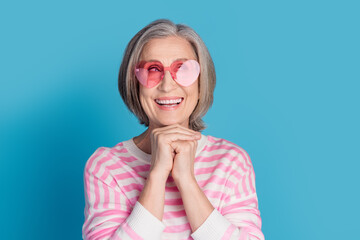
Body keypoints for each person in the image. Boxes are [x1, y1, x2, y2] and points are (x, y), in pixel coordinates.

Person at [82, 19, 264, 240]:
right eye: (153, 69)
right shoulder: (105, 167)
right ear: (135, 84)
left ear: (200, 84)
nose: (167, 85)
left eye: (183, 69)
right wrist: (157, 175)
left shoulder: (231, 161)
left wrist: (186, 181)